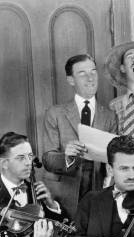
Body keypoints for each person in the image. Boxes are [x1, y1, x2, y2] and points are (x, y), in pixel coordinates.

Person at [42, 54, 117, 218]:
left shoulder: (110, 116)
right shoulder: (55, 113)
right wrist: (67, 157)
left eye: (93, 72)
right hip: (63, 196)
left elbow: (113, 157)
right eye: (82, 73)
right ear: (70, 80)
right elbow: (47, 159)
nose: (90, 78)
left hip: (98, 192)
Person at [0, 131, 64, 220]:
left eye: (30, 156)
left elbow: (61, 225)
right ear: (4, 163)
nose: (29, 163)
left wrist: (51, 205)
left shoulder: (36, 191)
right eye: (21, 158)